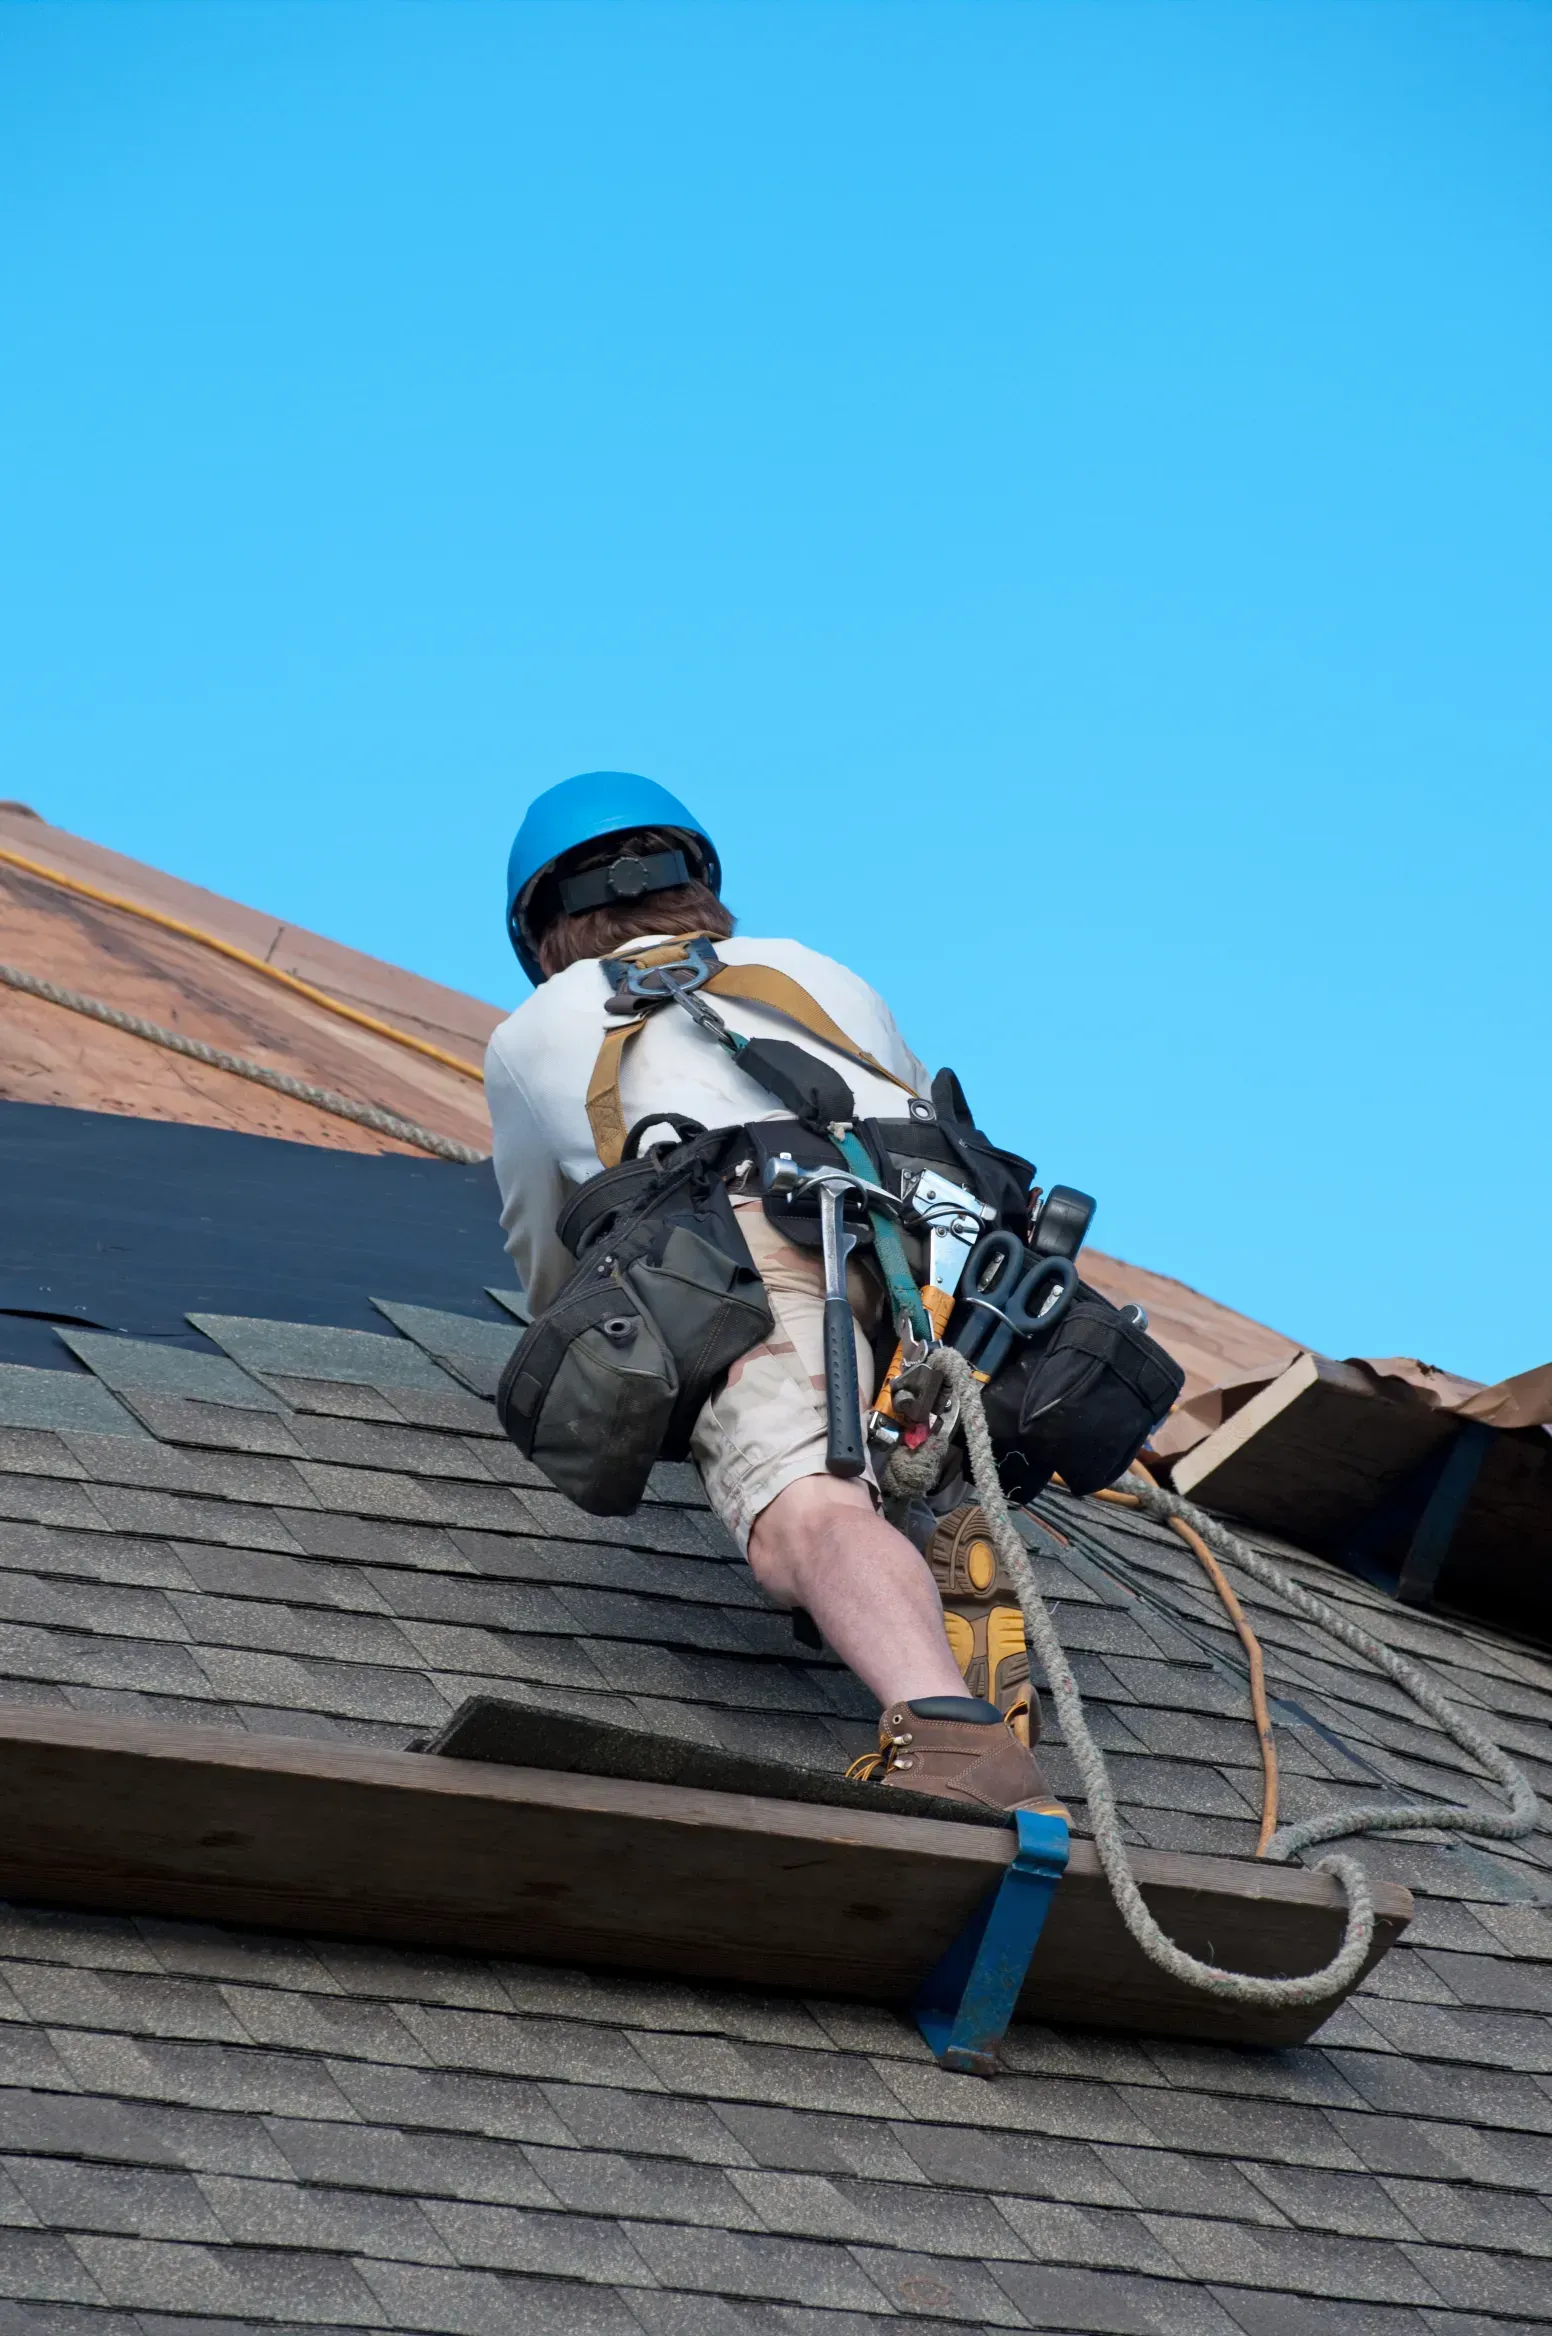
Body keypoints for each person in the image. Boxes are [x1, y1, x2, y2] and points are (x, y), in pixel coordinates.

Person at [485, 769, 1066, 1817]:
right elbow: (928, 1119)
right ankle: (927, 1546)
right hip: (943, 1258)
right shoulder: (813, 970)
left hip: (755, 1235)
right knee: (899, 1431)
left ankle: (944, 1725)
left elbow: (549, 1256)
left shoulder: (539, 1024)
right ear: (695, 882)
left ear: (545, 928)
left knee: (801, 1508)